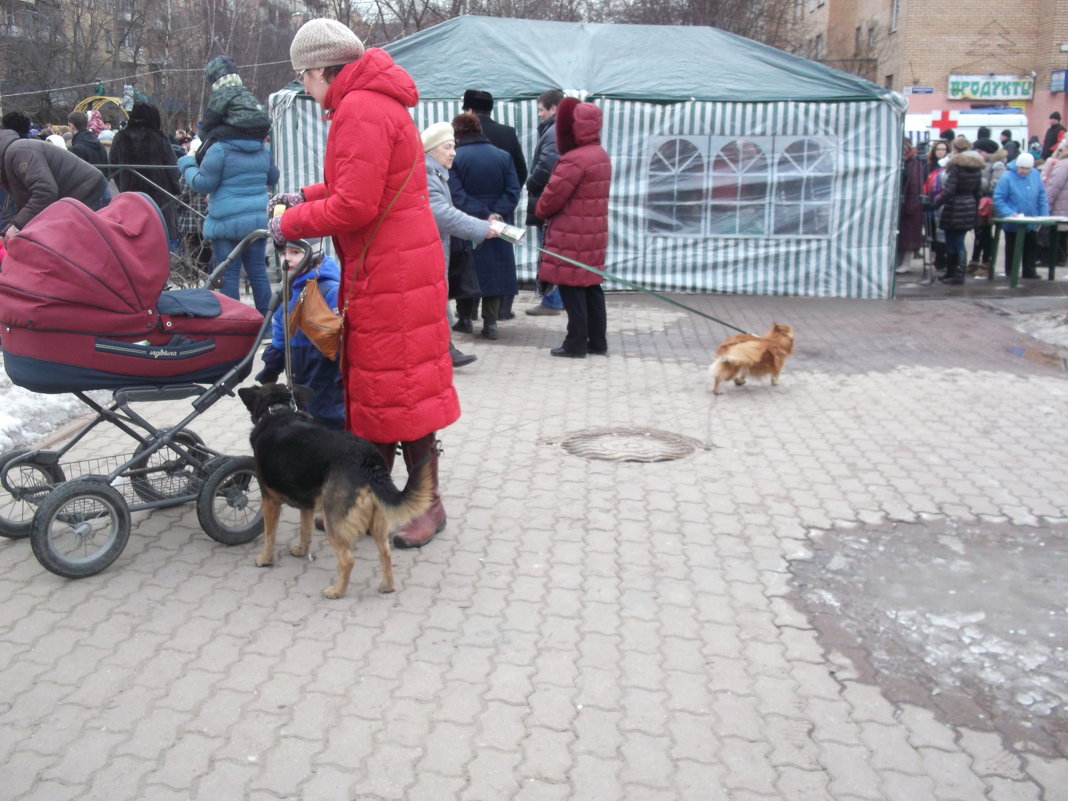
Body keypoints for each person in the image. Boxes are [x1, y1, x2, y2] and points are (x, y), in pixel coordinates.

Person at [271, 17, 459, 550]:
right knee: (380, 390)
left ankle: (427, 505)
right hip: (392, 266)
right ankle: (370, 499)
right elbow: (356, 181)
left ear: (323, 68)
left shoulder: (359, 108)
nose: (304, 89)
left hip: (391, 269)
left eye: (304, 77)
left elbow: (355, 204)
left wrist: (290, 223)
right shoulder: (370, 102)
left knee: (401, 391)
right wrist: (305, 196)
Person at [178, 113, 278, 315]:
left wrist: (187, 163)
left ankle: (237, 322)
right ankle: (267, 324)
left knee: (229, 274)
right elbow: (273, 177)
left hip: (226, 222)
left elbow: (202, 183)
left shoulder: (220, 149)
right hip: (256, 220)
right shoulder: (262, 149)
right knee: (258, 271)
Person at [536, 97, 611, 357]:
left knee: (572, 287)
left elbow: (552, 197)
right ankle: (597, 341)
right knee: (591, 285)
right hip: (593, 234)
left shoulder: (574, 159)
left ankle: (575, 343)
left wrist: (539, 210)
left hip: (571, 234)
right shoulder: (600, 155)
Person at [421, 120, 498, 368]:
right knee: (433, 302)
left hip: (434, 249)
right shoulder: (427, 174)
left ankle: (443, 350)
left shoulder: (436, 173)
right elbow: (441, 213)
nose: (453, 152)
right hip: (426, 251)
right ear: (431, 150)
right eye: (447, 147)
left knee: (436, 300)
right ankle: (441, 351)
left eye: (453, 146)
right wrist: (481, 229)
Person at [255, 239, 345, 429]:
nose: (286, 259)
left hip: (326, 368)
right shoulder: (287, 291)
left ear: (313, 254)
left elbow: (344, 335)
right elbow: (280, 333)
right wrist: (271, 366)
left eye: (295, 253)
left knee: (328, 416)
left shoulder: (330, 289)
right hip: (297, 364)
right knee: (303, 413)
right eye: (282, 253)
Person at [448, 112, 520, 341]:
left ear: (458, 133)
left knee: (468, 269)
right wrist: (496, 213)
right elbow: (513, 191)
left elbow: (456, 194)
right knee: (495, 270)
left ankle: (466, 318)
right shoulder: (503, 156)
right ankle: (490, 323)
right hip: (499, 222)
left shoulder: (456, 158)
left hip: (468, 220)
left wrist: (482, 214)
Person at [461, 88, 526, 321]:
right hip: (501, 213)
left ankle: (466, 317)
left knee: (469, 264)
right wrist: (503, 204)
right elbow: (521, 172)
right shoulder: (507, 133)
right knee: (499, 264)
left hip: (467, 211)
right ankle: (500, 312)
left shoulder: (459, 136)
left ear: (468, 110)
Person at [0, 123, 109, 243]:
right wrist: (8, 230)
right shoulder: (12, 154)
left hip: (89, 194)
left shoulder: (18, 152)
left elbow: (45, 192)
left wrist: (17, 226)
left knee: (85, 251)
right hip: (77, 197)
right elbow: (27, 203)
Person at [109, 102, 181, 248]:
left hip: (131, 197)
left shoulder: (120, 138)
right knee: (165, 240)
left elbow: (113, 167)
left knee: (134, 242)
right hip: (160, 199)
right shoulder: (159, 138)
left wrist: (123, 184)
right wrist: (176, 191)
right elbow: (172, 168)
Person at [525, 88, 565, 317]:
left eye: (542, 110)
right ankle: (556, 298)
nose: (539, 115)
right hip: (555, 201)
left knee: (548, 251)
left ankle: (552, 300)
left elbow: (548, 163)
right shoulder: (560, 130)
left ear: (554, 108)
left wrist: (531, 182)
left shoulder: (553, 132)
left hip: (547, 201)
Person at [196, 56, 271, 165]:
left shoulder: (222, 93)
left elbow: (210, 120)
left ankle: (199, 159)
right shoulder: (244, 92)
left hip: (243, 124)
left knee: (214, 134)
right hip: (263, 125)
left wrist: (203, 136)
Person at [933, 136, 983, 285]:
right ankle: (956, 273)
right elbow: (978, 192)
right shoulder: (977, 167)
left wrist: (934, 204)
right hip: (968, 206)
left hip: (954, 206)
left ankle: (954, 272)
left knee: (952, 241)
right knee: (958, 240)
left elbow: (949, 191)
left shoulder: (955, 167)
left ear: (956, 150)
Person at [993, 152, 1049, 280]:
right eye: (1022, 168)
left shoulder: (1035, 175)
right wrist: (1009, 213)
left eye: (1027, 169)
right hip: (1013, 221)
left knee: (1031, 246)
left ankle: (1029, 271)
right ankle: (1011, 272)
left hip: (1031, 220)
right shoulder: (1007, 177)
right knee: (1012, 248)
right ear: (1017, 165)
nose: (1024, 171)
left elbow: (1041, 196)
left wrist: (1044, 215)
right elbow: (999, 198)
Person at [968, 138, 1006, 275]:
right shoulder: (981, 164)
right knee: (979, 233)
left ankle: (986, 261)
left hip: (988, 205)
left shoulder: (997, 165)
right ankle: (975, 260)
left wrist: (978, 179)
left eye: (980, 151)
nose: (977, 154)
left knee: (985, 233)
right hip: (979, 202)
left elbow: (995, 186)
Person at [896, 138, 924, 274]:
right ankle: (900, 262)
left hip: (909, 204)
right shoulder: (908, 162)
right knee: (902, 235)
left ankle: (906, 263)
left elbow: (915, 186)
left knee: (908, 236)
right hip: (903, 203)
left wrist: (911, 205)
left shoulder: (913, 163)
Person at [922, 140, 949, 274]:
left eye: (944, 149)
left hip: (944, 204)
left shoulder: (949, 166)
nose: (941, 152)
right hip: (931, 203)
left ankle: (941, 258)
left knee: (942, 233)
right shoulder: (928, 166)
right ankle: (934, 255)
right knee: (932, 231)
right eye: (939, 149)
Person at [1045, 142, 1068, 267]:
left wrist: (1047, 204)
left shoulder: (1063, 164)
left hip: (1062, 206)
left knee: (1058, 234)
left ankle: (1058, 259)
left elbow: (1053, 186)